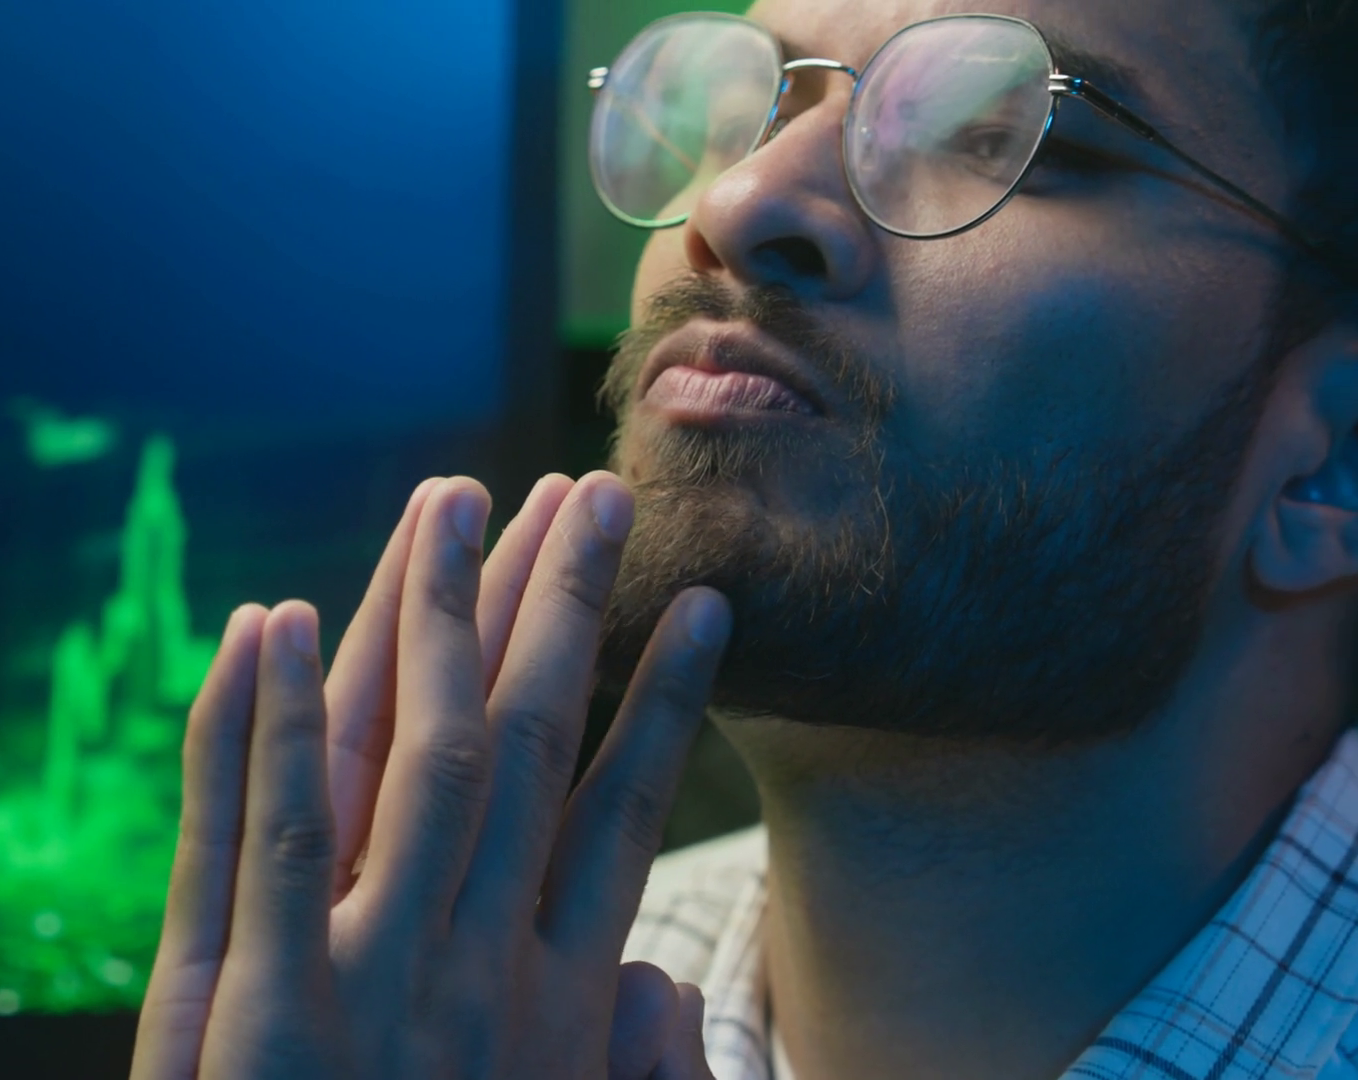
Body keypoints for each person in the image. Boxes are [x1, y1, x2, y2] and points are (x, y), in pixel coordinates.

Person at [128, 0, 1358, 1077]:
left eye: (1005, 137)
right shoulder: (443, 1011)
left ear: (1332, 465)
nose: (737, 200)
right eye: (752, 108)